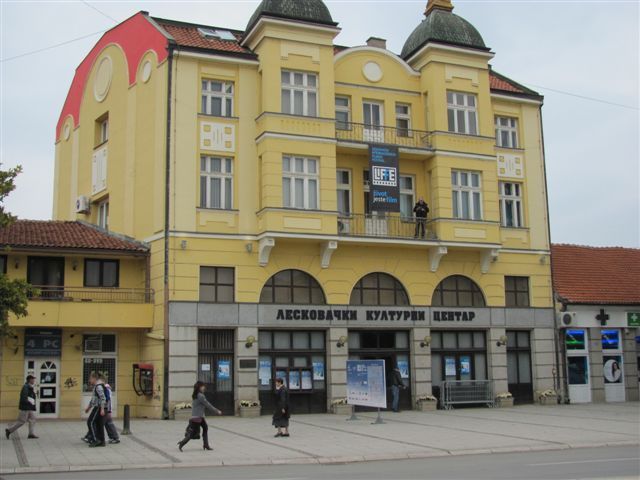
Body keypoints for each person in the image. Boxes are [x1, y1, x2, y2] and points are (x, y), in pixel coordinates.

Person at [177, 381, 221, 451]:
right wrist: (217, 411)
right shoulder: (200, 396)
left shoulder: (196, 395)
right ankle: (182, 443)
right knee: (192, 433)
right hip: (197, 418)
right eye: (203, 386)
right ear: (199, 387)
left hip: (198, 417)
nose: (204, 387)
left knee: (205, 428)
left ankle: (206, 445)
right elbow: (208, 405)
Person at [5, 375, 38, 439]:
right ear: (30, 380)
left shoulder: (29, 387)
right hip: (25, 407)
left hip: (29, 407)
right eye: (33, 379)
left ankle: (31, 434)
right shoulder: (26, 387)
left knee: (33, 419)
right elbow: (23, 397)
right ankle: (9, 430)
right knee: (21, 421)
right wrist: (29, 402)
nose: (34, 380)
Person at [85, 372, 107, 447]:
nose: (89, 380)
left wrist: (102, 409)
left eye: (90, 378)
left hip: (99, 407)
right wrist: (88, 407)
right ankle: (101, 441)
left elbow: (103, 398)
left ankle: (96, 440)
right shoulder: (97, 386)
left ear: (94, 378)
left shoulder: (98, 387)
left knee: (90, 422)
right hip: (98, 407)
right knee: (98, 424)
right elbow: (94, 399)